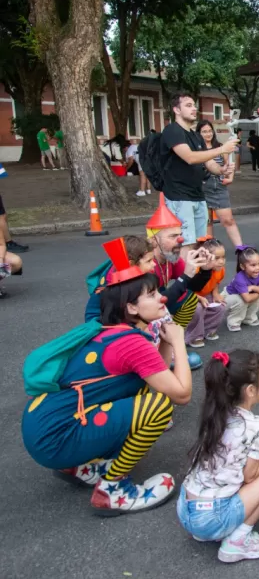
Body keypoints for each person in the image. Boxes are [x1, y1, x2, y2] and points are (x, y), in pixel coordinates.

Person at [21, 237, 192, 514]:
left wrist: (167, 342)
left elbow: (159, 380)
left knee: (147, 394)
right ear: (132, 308)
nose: (162, 297)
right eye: (151, 294)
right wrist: (180, 341)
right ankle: (113, 490)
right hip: (54, 438)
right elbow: (181, 393)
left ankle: (78, 465)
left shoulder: (112, 329)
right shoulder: (132, 342)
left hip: (43, 427)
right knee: (159, 408)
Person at [178, 349, 259, 563]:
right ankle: (237, 542)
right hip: (212, 518)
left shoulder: (214, 413)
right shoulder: (256, 427)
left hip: (185, 511)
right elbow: (250, 476)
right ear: (249, 390)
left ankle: (208, 532)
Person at [161, 92, 237, 250]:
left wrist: (222, 169)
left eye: (194, 105)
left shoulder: (196, 136)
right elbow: (189, 157)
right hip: (179, 197)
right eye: (188, 106)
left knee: (200, 242)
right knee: (186, 243)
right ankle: (184, 274)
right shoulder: (172, 131)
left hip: (198, 195)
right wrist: (222, 149)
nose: (194, 109)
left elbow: (208, 162)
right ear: (176, 110)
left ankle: (194, 273)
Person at [146, 198, 211, 370]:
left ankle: (173, 345)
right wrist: (186, 276)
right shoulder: (146, 262)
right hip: (125, 315)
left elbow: (191, 287)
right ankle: (153, 352)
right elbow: (156, 302)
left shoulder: (170, 258)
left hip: (148, 306)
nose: (181, 240)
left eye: (180, 234)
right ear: (154, 241)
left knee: (188, 298)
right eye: (173, 236)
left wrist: (205, 270)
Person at [85, 235, 156, 321]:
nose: (154, 264)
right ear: (132, 264)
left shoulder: (142, 279)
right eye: (149, 261)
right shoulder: (107, 289)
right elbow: (91, 316)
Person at [197, 120, 243, 247]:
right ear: (198, 133)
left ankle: (240, 248)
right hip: (201, 186)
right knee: (207, 221)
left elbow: (228, 165)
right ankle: (209, 249)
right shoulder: (196, 149)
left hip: (218, 185)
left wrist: (230, 177)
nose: (208, 134)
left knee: (228, 220)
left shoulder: (220, 147)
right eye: (204, 131)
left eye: (210, 131)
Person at [185, 237, 228, 348]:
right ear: (205, 257)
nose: (222, 261)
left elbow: (216, 282)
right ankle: (194, 336)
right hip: (190, 295)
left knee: (220, 307)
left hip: (206, 294)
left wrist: (215, 294)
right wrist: (198, 298)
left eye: (223, 257)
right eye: (217, 258)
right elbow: (185, 289)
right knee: (198, 309)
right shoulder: (197, 268)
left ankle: (208, 329)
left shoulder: (220, 269)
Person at [224, 245, 259, 332]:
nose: (257, 268)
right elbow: (247, 298)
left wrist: (254, 287)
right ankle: (233, 321)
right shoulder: (240, 278)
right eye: (253, 265)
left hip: (244, 295)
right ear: (242, 267)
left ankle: (248, 318)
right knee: (240, 300)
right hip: (228, 298)